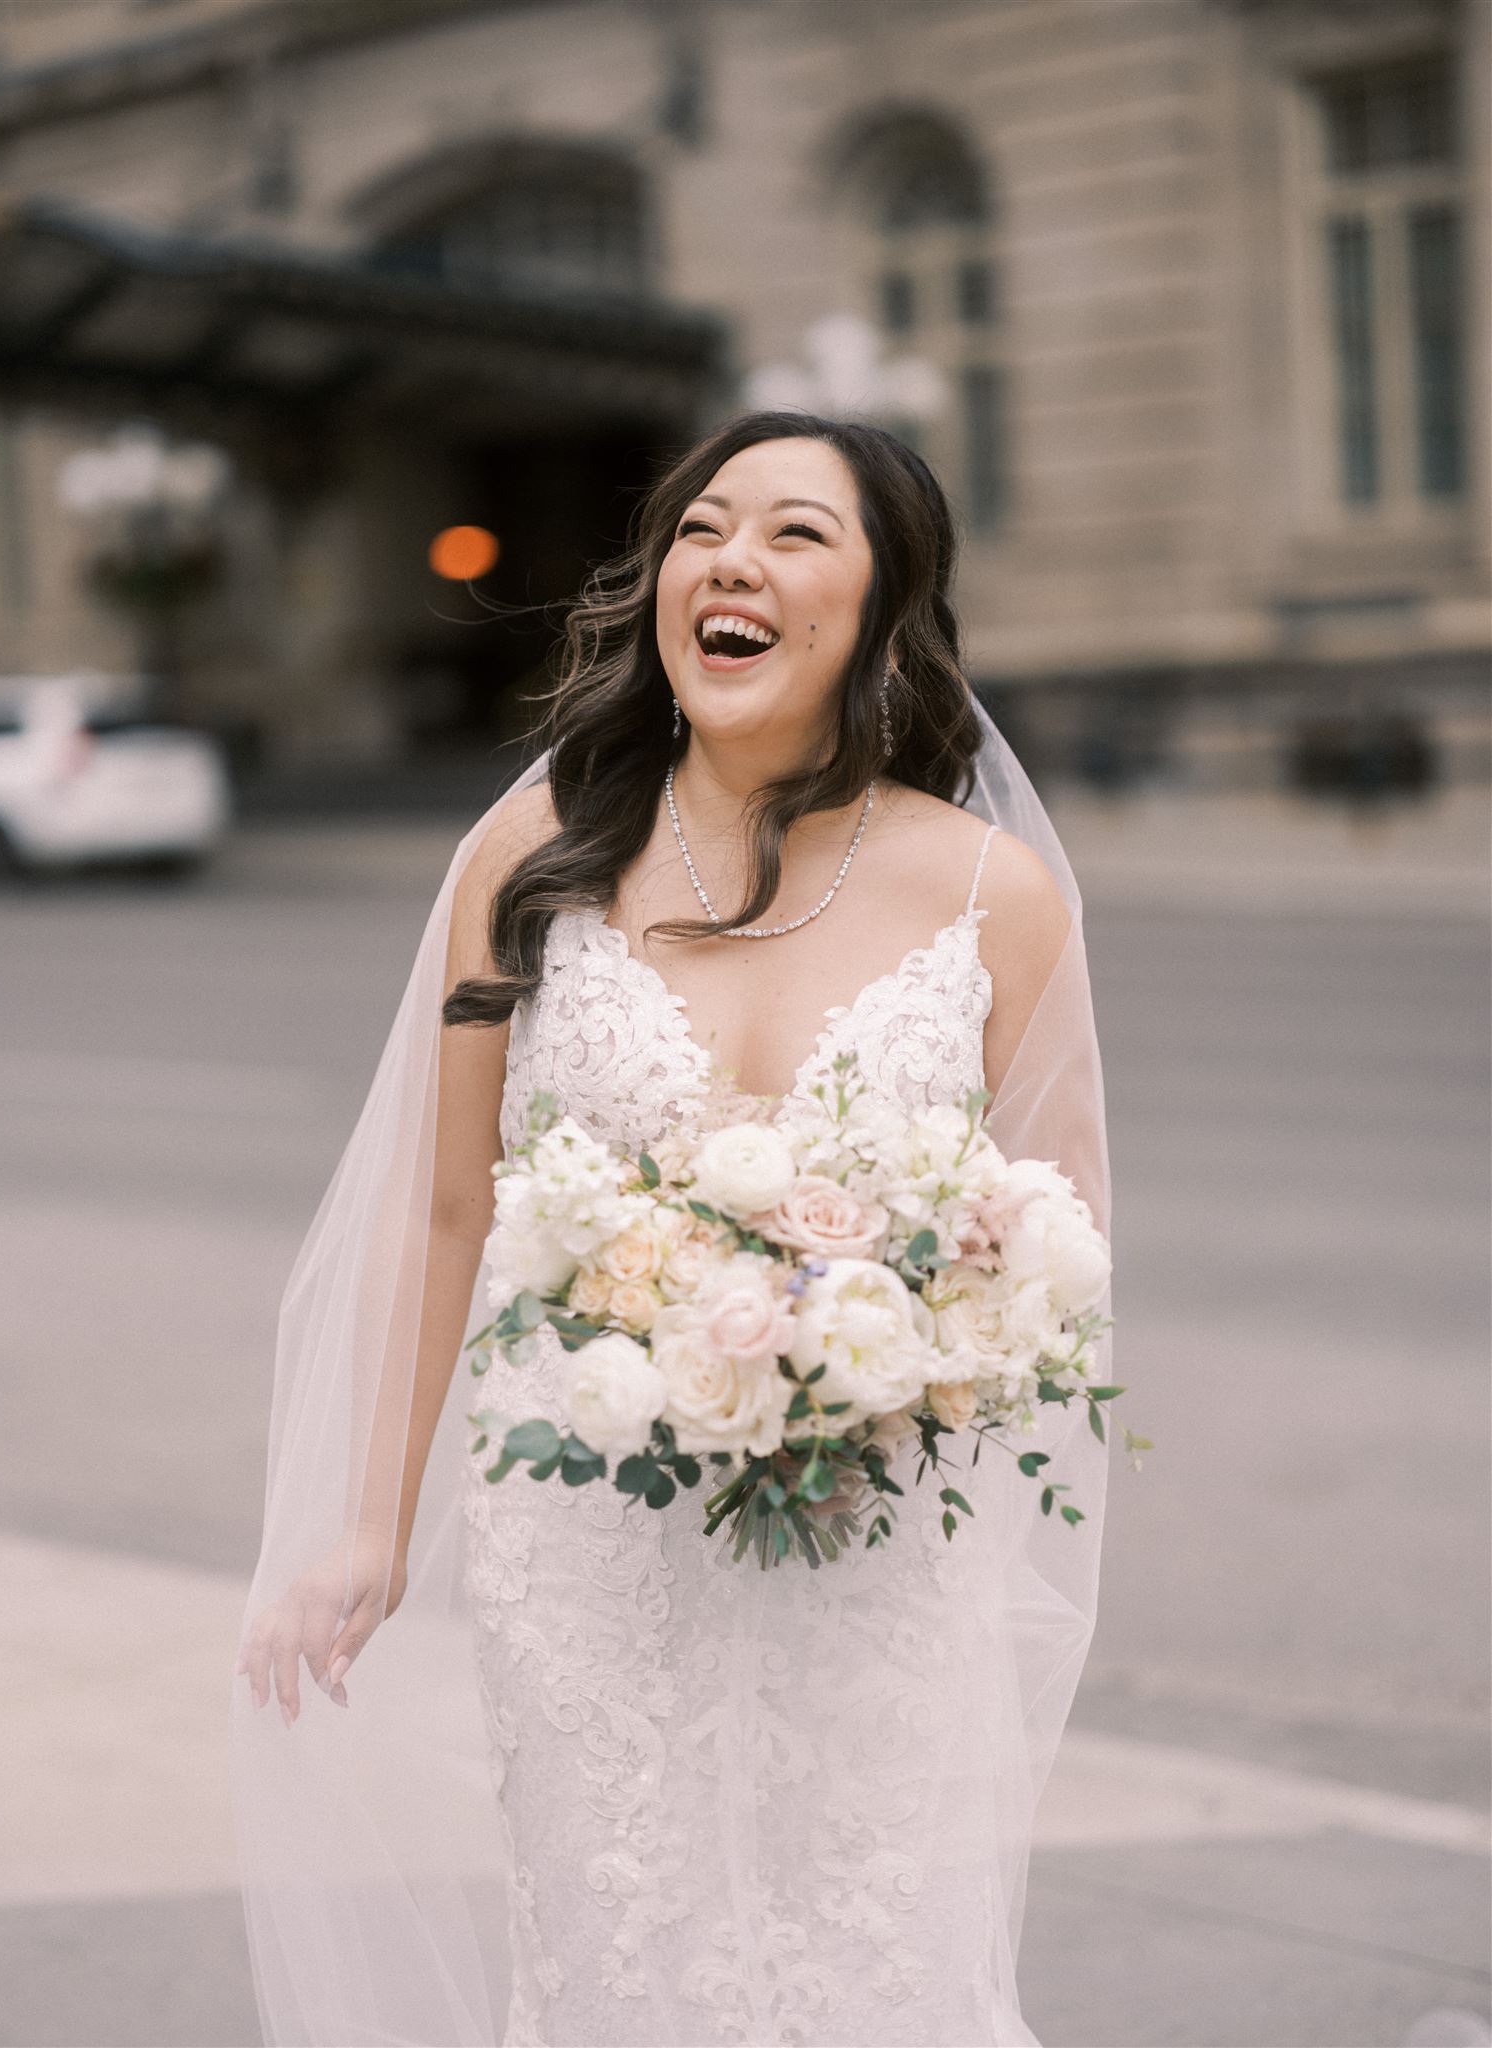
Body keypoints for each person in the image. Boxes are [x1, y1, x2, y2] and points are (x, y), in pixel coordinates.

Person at [231, 411, 1113, 2048]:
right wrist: (369, 1522)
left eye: (796, 534)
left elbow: (1048, 1255)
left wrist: (892, 1367)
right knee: (614, 1945)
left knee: (860, 1957)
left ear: (882, 606)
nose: (734, 561)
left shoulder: (996, 896)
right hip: (587, 1544)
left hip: (871, 1547)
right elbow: (444, 1211)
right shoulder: (534, 852)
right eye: (705, 527)